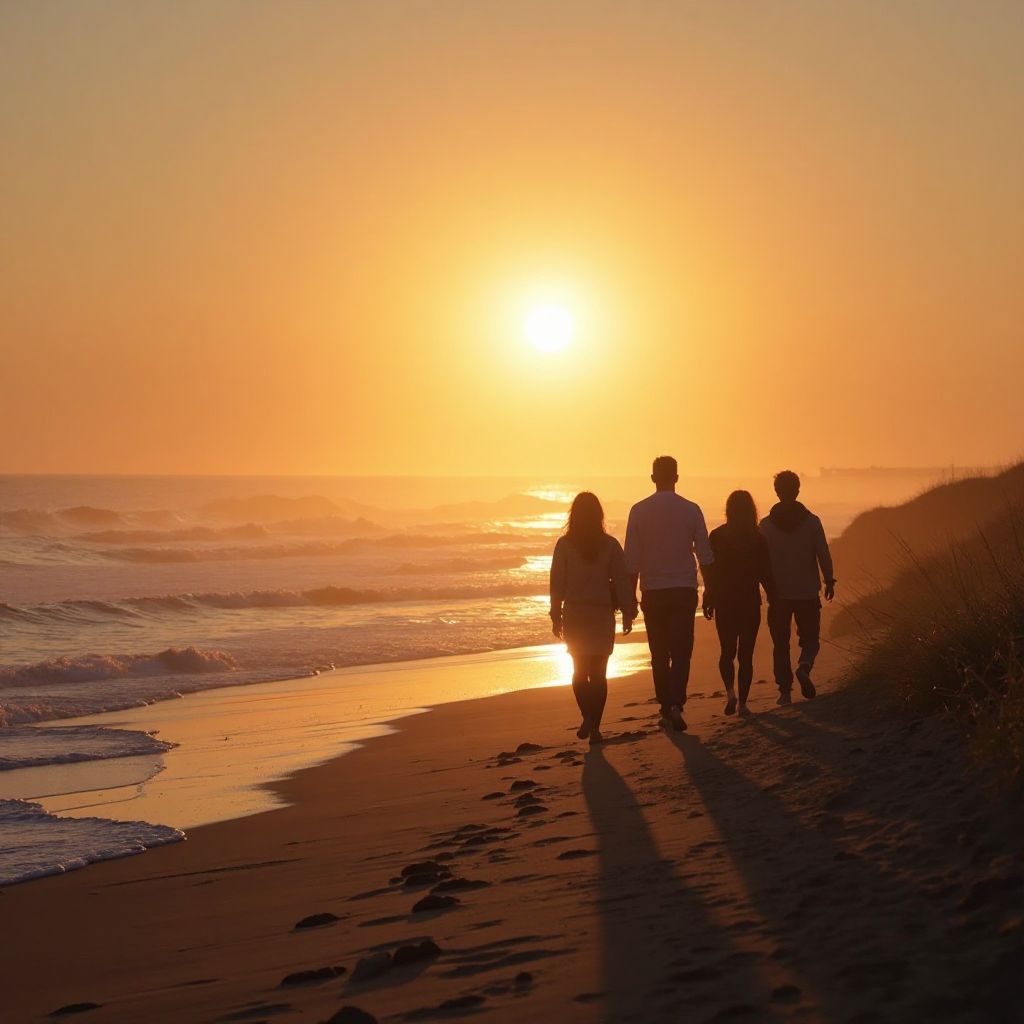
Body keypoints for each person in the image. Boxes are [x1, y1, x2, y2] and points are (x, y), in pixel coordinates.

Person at [624, 455, 714, 732]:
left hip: (653, 590)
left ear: (653, 478)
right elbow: (705, 555)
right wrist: (710, 589)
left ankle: (666, 706)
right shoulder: (691, 509)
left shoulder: (638, 510)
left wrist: (629, 600)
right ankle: (676, 703)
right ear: (676, 477)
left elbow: (631, 560)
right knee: (682, 650)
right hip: (683, 589)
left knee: (659, 653)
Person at [550, 492, 637, 744]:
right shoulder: (610, 545)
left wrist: (555, 614)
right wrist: (628, 612)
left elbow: (557, 582)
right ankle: (595, 727)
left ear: (573, 515)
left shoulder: (564, 545)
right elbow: (621, 581)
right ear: (599, 515)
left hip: (575, 613)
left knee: (579, 671)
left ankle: (587, 716)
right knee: (599, 674)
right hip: (601, 614)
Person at [760, 470, 836, 705]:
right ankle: (804, 665)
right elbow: (823, 553)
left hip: (778, 594)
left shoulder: (766, 525)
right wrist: (829, 580)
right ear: (798, 490)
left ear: (777, 492)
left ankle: (784, 692)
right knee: (810, 639)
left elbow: (760, 561)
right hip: (807, 591)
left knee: (780, 643)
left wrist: (760, 587)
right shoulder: (812, 522)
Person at [703, 490, 775, 717]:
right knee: (746, 655)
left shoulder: (717, 536)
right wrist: (774, 598)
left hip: (724, 601)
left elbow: (710, 571)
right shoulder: (758, 539)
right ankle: (743, 704)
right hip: (749, 602)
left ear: (729, 510)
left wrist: (708, 595)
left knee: (726, 651)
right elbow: (766, 574)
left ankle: (730, 693)